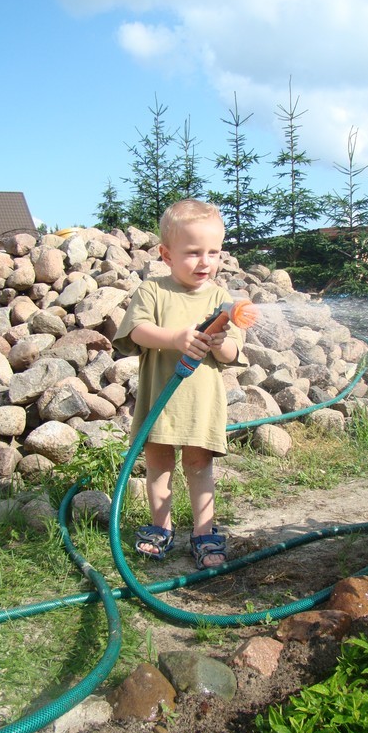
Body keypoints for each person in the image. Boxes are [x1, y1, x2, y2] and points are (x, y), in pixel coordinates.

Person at [113, 199, 247, 569]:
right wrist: (175, 339)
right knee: (158, 464)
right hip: (161, 401)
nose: (205, 262)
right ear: (166, 254)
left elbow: (234, 351)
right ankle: (161, 528)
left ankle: (204, 532)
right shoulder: (152, 291)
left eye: (213, 252)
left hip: (201, 405)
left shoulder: (222, 299)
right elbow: (136, 331)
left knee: (200, 465)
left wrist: (221, 345)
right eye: (193, 253)